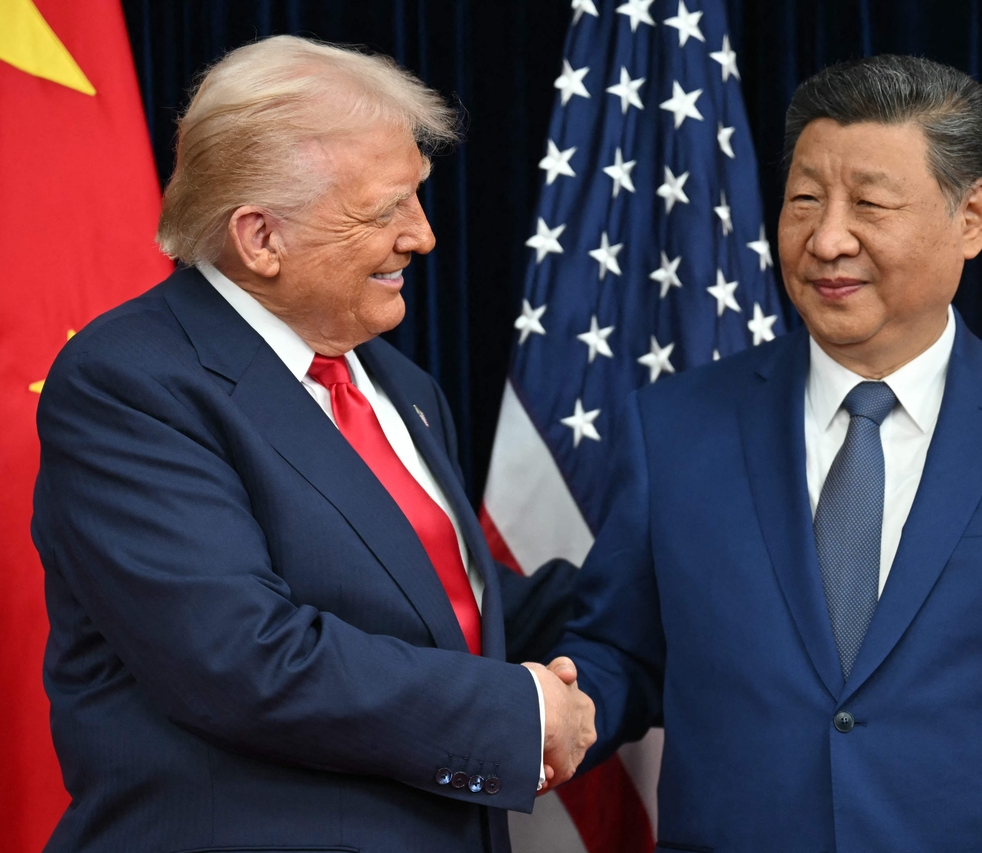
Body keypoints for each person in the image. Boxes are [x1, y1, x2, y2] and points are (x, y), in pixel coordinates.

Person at [554, 55, 982, 851]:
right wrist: (556, 705)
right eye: (805, 199)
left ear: (972, 217)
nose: (828, 238)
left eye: (869, 203)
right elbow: (621, 652)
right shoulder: (674, 429)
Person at [32, 35, 593, 853]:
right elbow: (242, 659)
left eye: (418, 196)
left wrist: (666, 588)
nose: (423, 235)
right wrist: (522, 712)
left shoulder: (399, 384)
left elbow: (435, 604)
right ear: (260, 237)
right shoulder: (130, 382)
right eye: (385, 209)